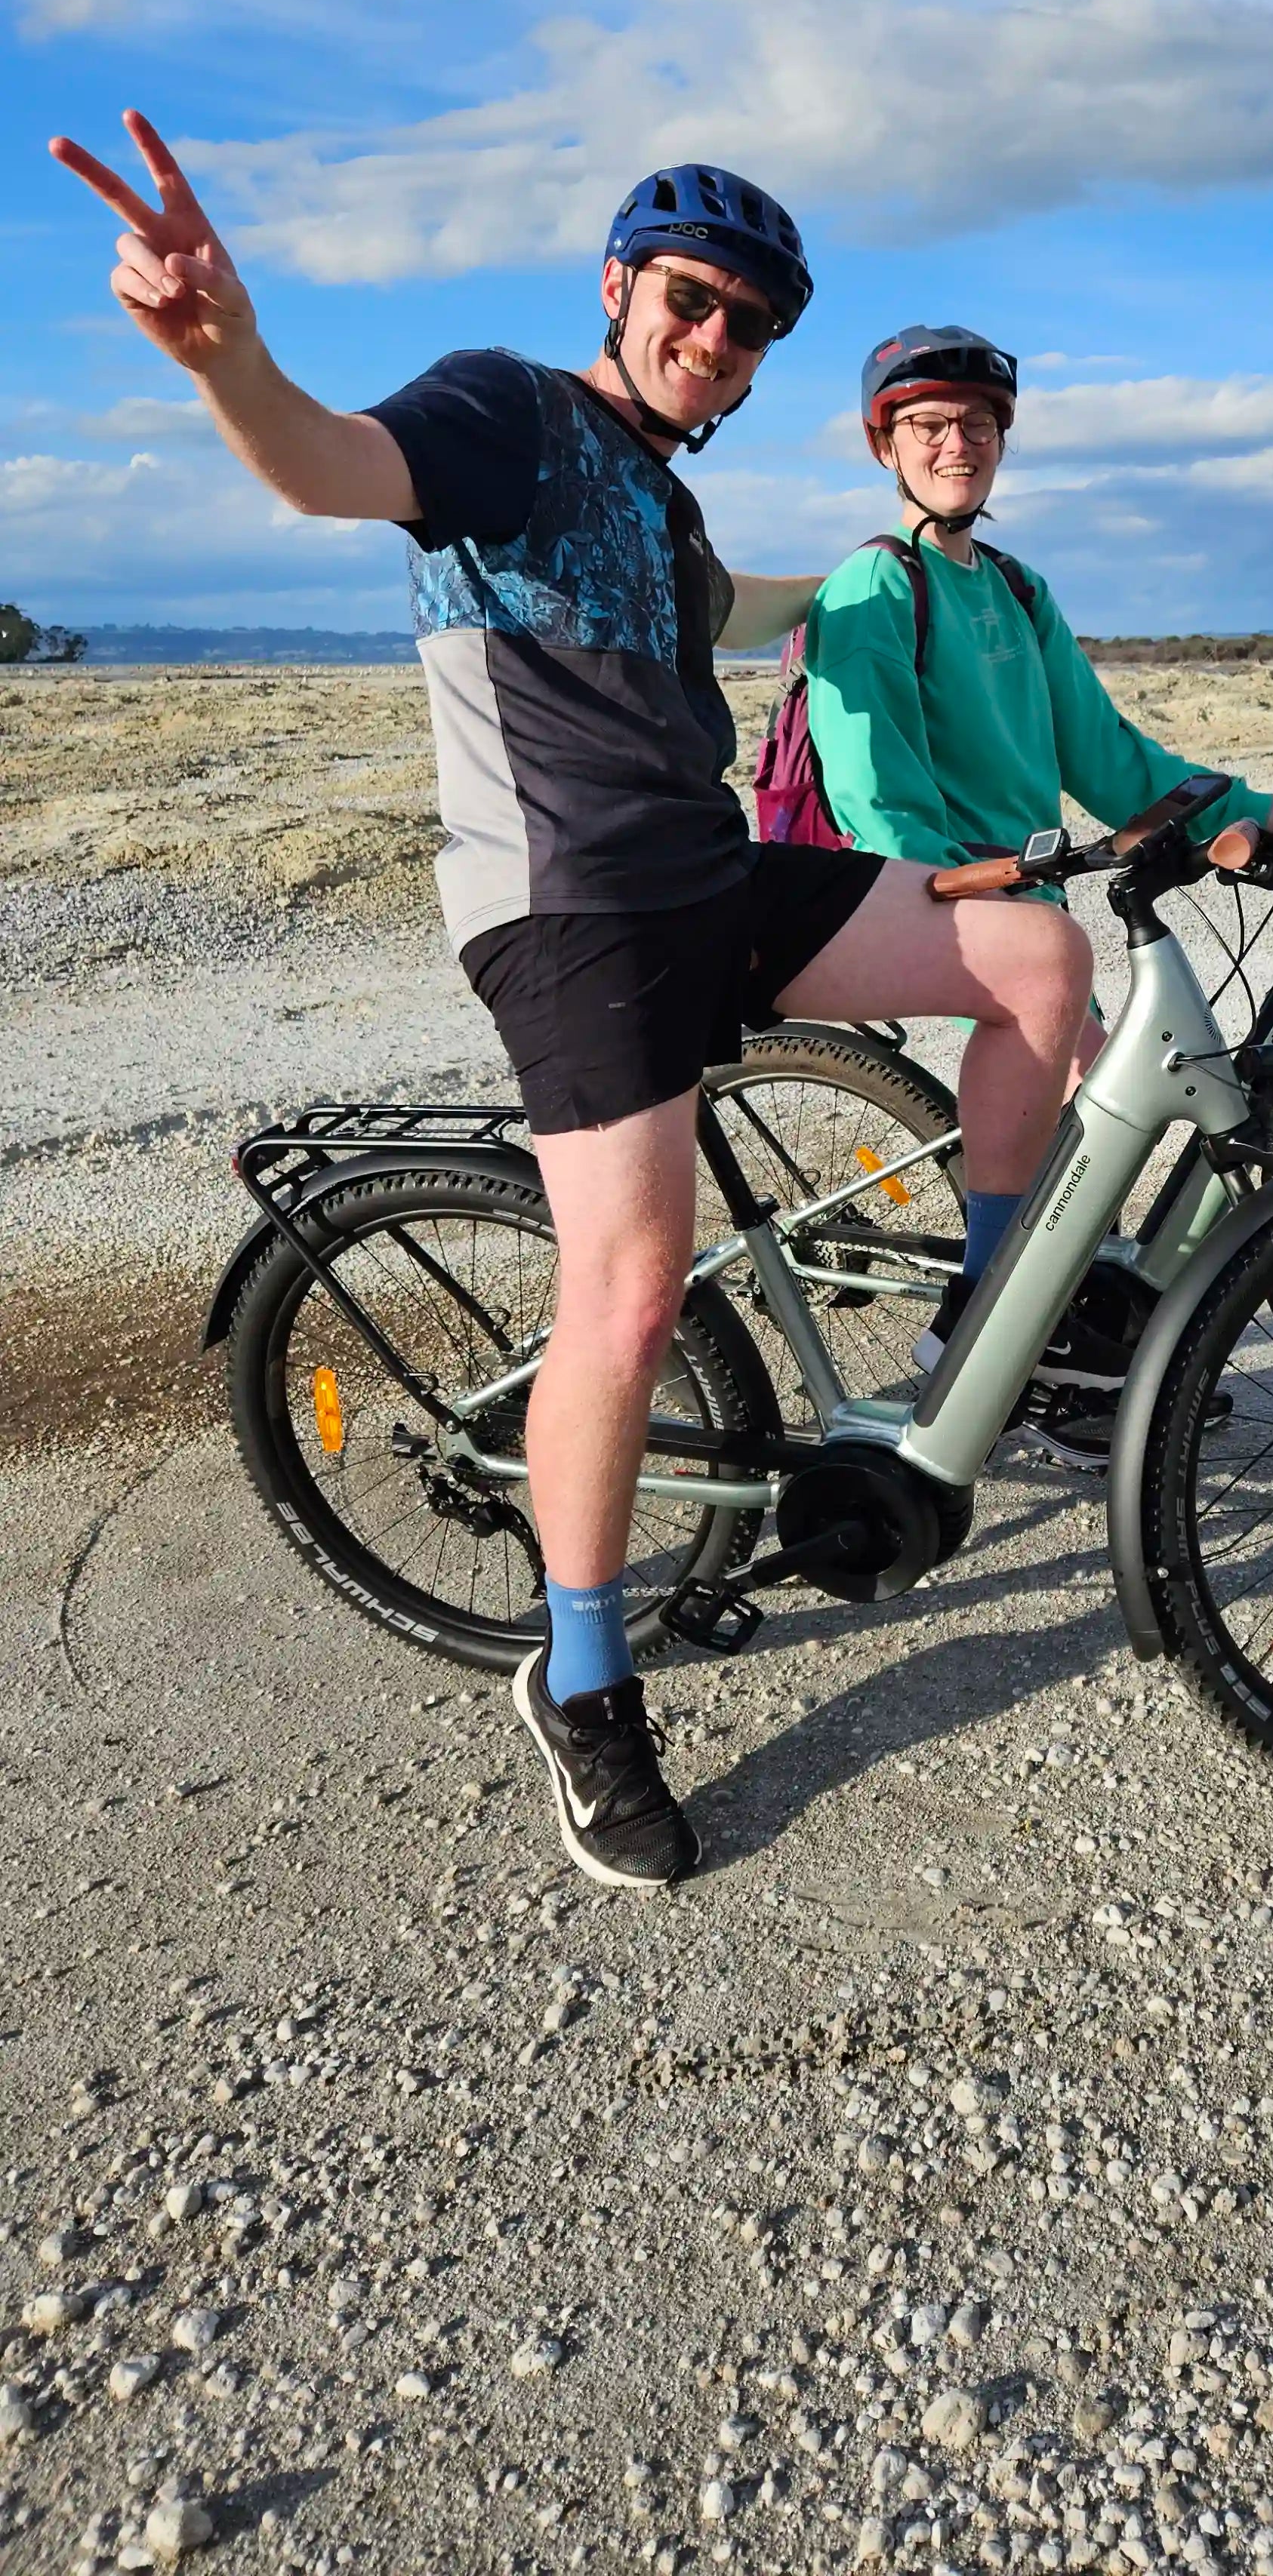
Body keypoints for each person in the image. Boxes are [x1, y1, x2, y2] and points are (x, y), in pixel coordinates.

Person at [51, 116, 1094, 1895]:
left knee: (1040, 958)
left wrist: (864, 581)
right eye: (694, 300)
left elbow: (741, 604)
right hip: (571, 908)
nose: (719, 339)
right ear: (622, 287)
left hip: (704, 876)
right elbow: (326, 464)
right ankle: (589, 1674)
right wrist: (230, 358)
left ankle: (983, 1325)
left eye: (752, 325)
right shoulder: (504, 412)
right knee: (626, 1289)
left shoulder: (660, 493)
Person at [799, 325, 1273, 1442]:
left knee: (1110, 1122)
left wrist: (1253, 813)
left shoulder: (1014, 588)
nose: (955, 443)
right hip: (938, 903)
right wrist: (979, 900)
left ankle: (1055, 1354)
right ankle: (981, 1329)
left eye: (975, 424)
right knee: (1089, 1112)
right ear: (886, 445)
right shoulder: (878, 583)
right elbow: (880, 800)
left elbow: (1110, 763)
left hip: (1036, 904)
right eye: (926, 425)